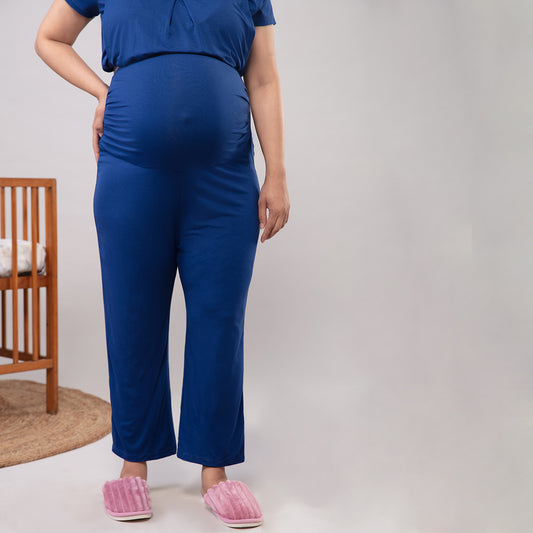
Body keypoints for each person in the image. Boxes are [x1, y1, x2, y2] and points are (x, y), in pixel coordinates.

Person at [34, 0, 289, 526]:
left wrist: (277, 173)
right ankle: (133, 465)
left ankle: (215, 471)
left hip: (224, 181)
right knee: (132, 316)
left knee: (220, 320)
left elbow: (263, 78)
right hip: (131, 171)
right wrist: (102, 92)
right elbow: (50, 37)